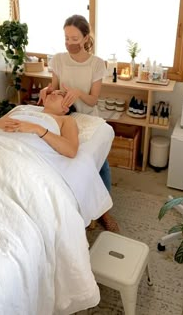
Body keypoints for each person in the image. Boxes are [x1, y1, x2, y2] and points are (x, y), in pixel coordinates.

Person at [38, 14, 119, 232]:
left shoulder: (97, 64)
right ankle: (78, 207)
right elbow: (53, 87)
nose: (69, 43)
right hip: (64, 115)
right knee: (67, 162)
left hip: (89, 115)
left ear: (85, 38)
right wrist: (47, 91)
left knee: (99, 162)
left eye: (74, 38)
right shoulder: (58, 59)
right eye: (66, 38)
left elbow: (93, 99)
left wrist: (78, 93)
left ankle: (104, 212)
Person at [0, 90, 79, 158]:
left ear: (66, 108)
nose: (53, 93)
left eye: (60, 94)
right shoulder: (21, 108)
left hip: (17, 152)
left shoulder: (66, 120)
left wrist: (37, 129)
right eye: (53, 92)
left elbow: (71, 150)